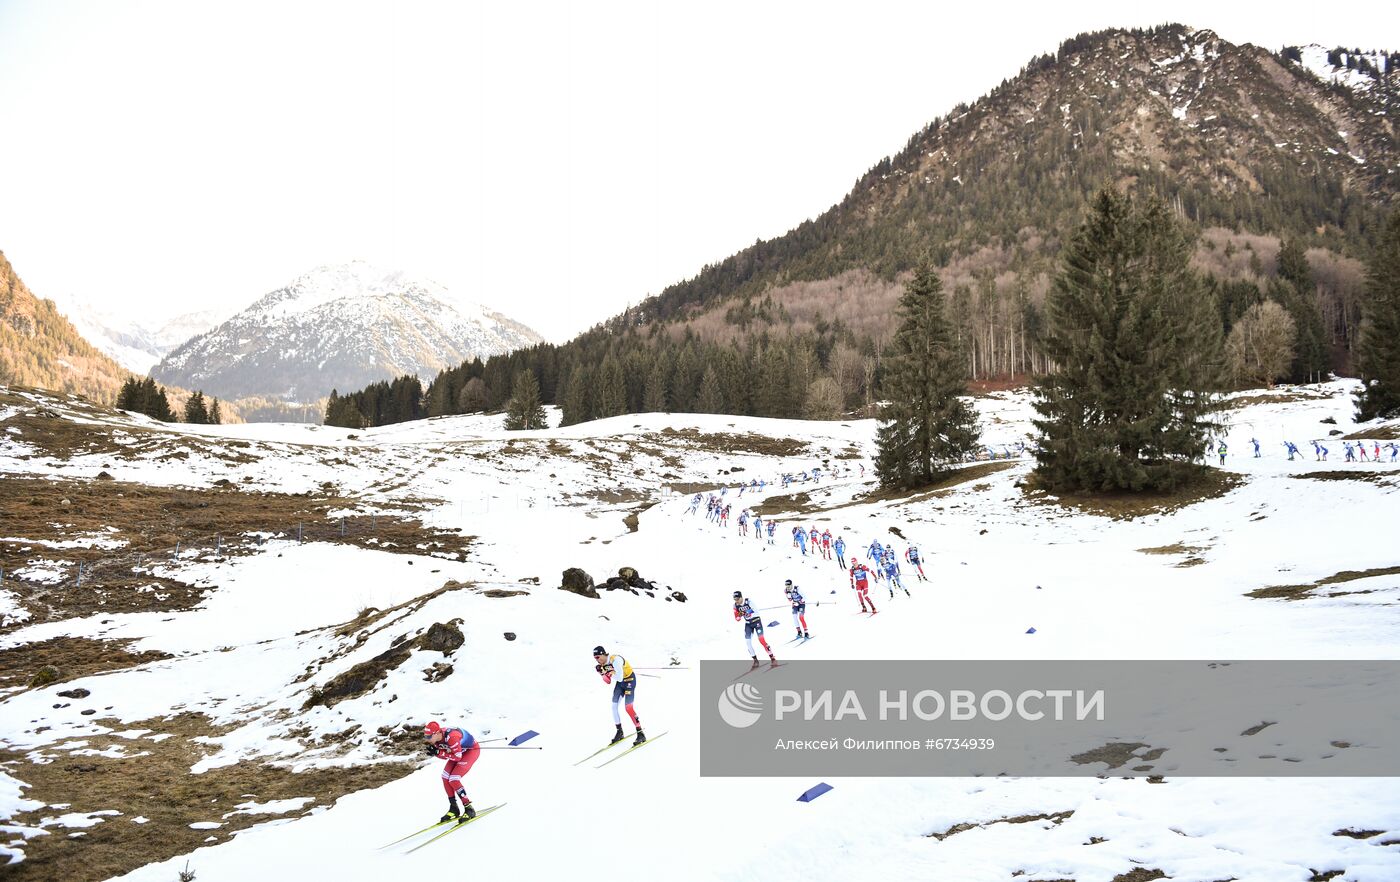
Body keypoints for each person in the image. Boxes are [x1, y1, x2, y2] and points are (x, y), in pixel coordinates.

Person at [424, 720, 479, 822]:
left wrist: (439, 752)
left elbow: (457, 757)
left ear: (436, 733)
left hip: (470, 751)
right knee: (445, 777)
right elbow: (446, 756)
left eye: (428, 736)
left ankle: (469, 808)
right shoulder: (437, 740)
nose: (427, 739)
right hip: (458, 752)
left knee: (454, 779)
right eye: (425, 736)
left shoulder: (451, 737)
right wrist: (436, 753)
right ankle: (454, 808)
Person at [594, 645, 645, 746]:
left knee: (628, 708)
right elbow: (608, 681)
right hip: (620, 684)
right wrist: (602, 674)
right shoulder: (603, 664)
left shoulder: (615, 660)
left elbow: (619, 677)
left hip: (629, 680)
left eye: (597, 657)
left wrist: (607, 672)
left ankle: (640, 733)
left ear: (603, 654)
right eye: (595, 658)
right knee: (614, 706)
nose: (597, 660)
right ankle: (619, 732)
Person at [734, 591, 776, 664]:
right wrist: (739, 615)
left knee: (761, 639)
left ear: (741, 597)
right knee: (748, 642)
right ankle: (755, 659)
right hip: (748, 624)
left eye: (737, 599)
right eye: (735, 599)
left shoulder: (748, 601)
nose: (736, 601)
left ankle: (772, 656)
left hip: (756, 621)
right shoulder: (735, 606)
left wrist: (746, 612)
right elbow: (737, 619)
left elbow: (755, 611)